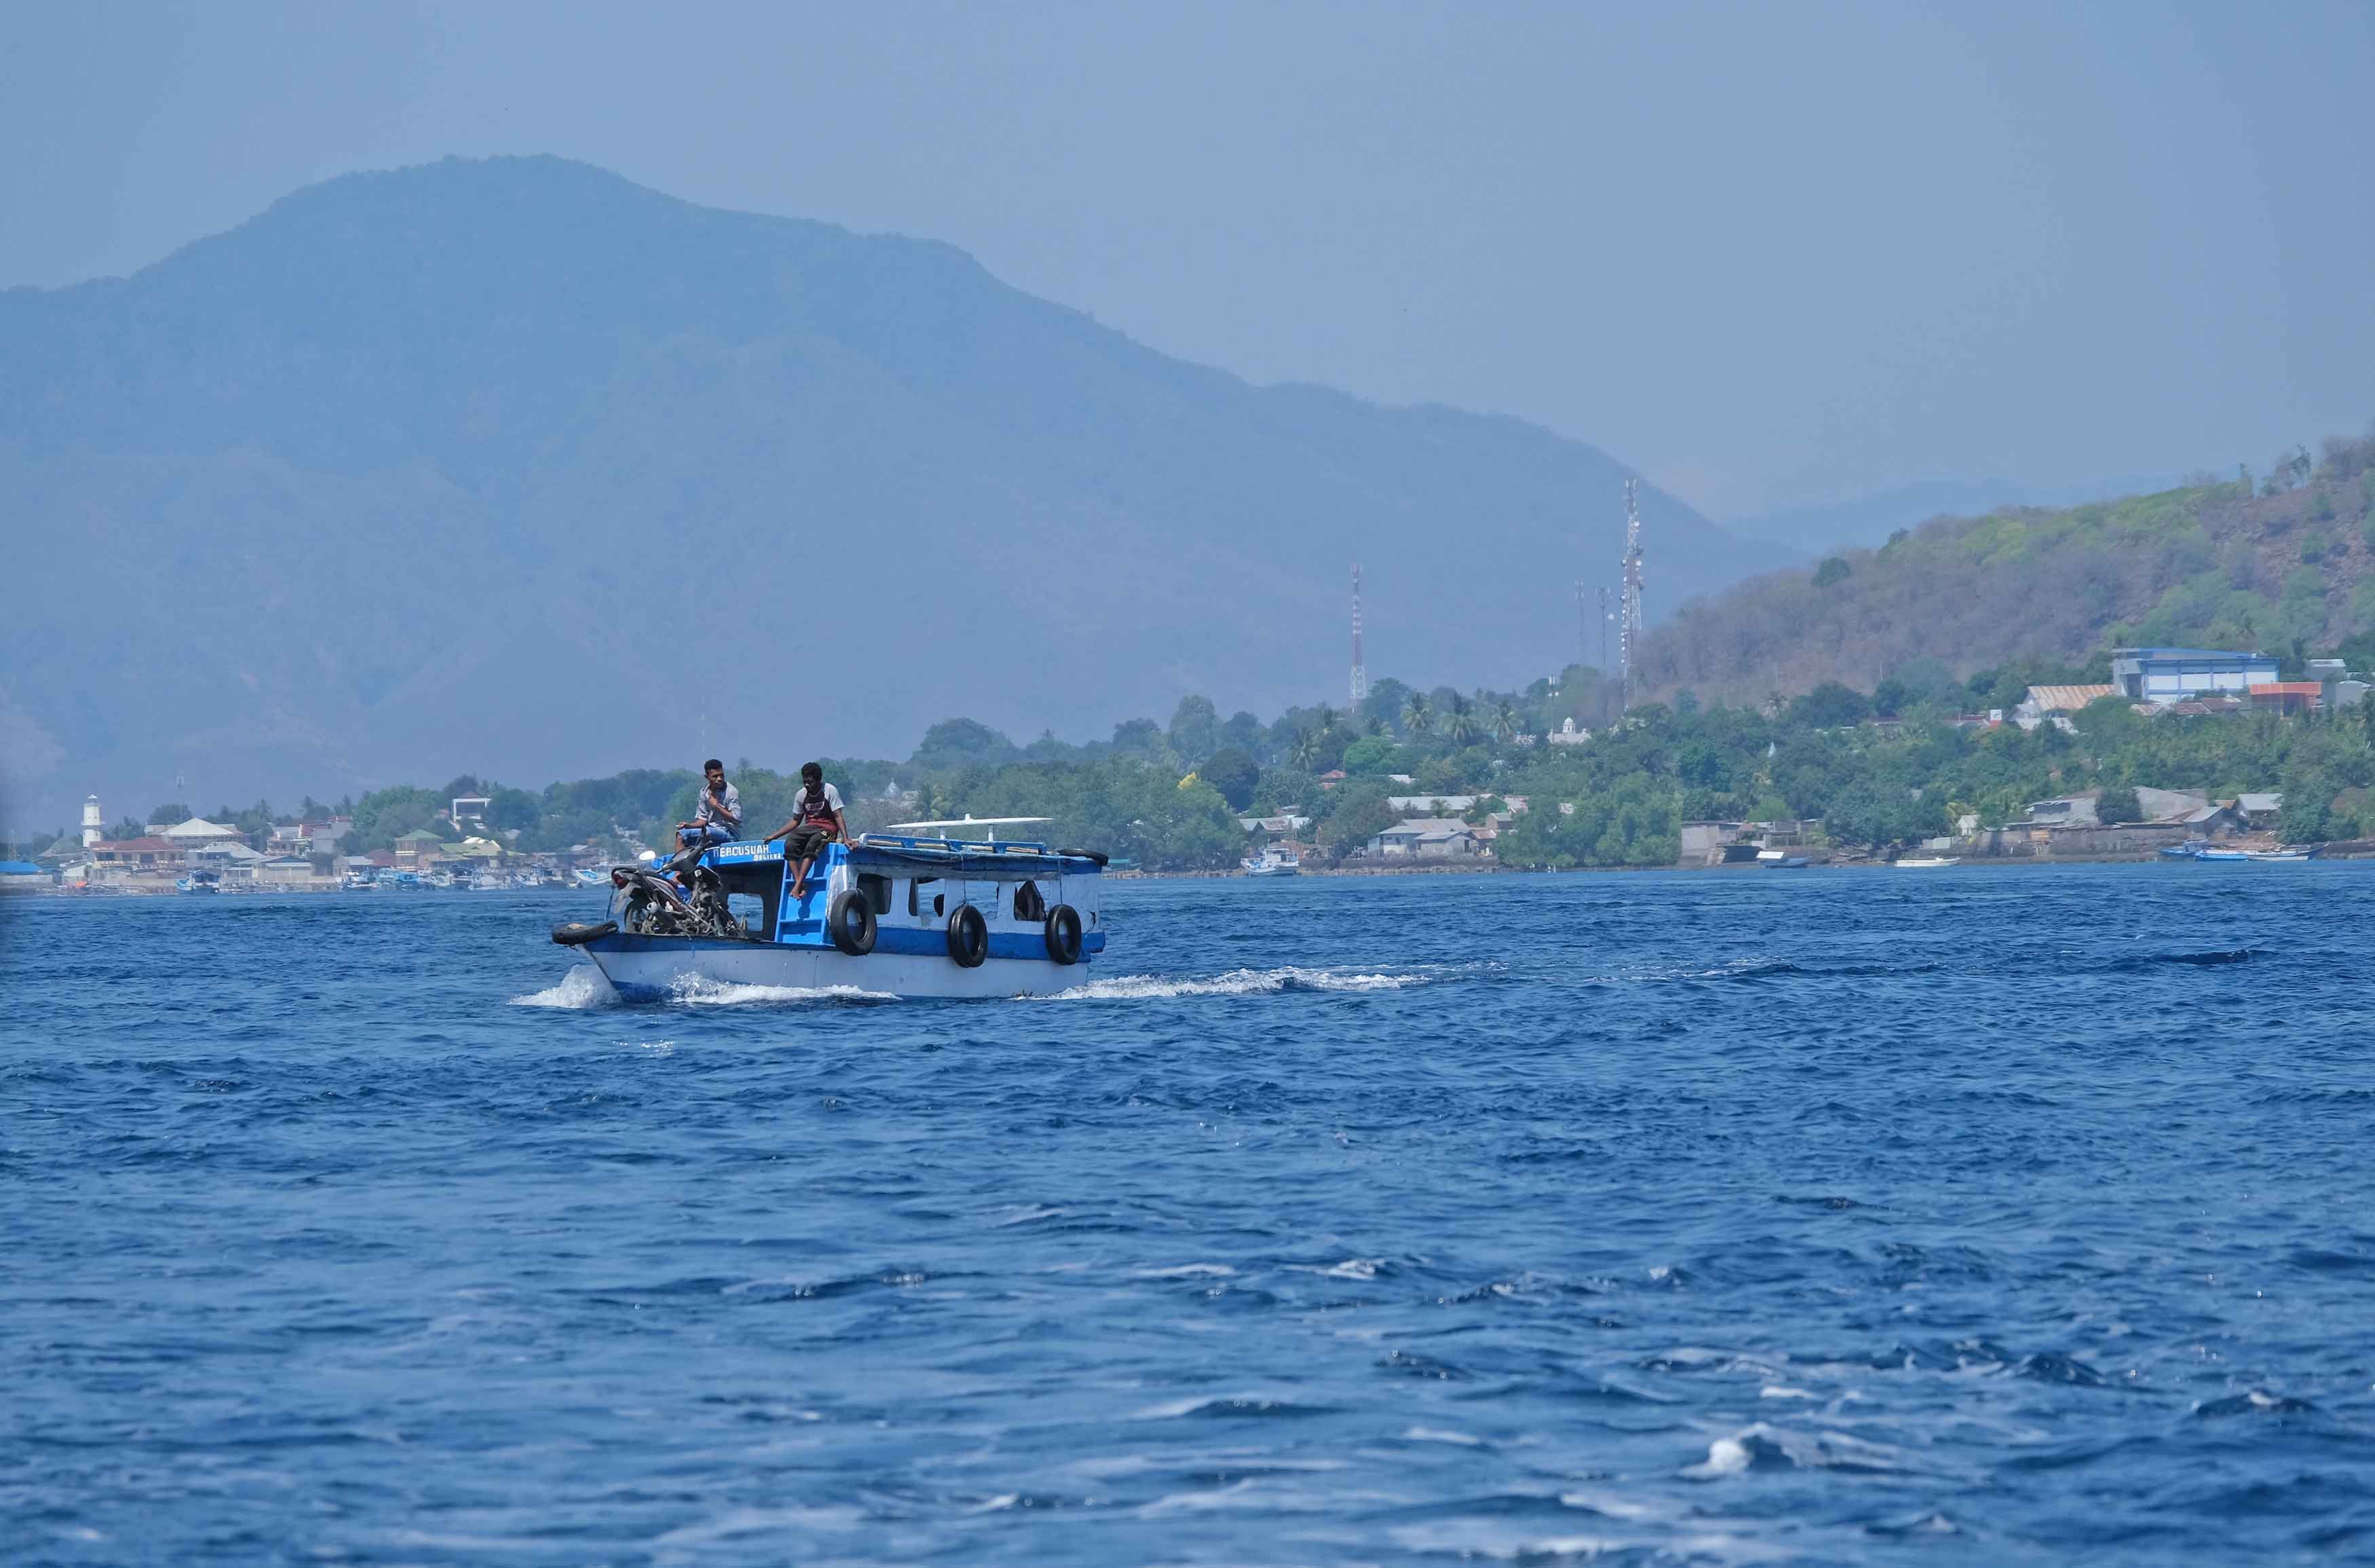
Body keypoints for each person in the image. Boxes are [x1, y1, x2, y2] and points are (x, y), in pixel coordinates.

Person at [763, 761, 850, 899]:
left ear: (818, 780)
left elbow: (838, 816)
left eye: (810, 782)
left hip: (828, 829)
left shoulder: (829, 791)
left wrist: (846, 838)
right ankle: (801, 884)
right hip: (809, 828)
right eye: (805, 782)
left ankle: (797, 885)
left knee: (813, 844)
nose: (807, 785)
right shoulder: (801, 795)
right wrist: (774, 836)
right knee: (790, 844)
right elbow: (795, 821)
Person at [674, 760, 742, 864]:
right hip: (709, 830)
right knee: (681, 835)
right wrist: (689, 825)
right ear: (707, 777)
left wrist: (716, 806)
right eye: (715, 777)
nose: (719, 779)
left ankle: (698, 862)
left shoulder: (731, 792)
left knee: (707, 833)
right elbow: (702, 820)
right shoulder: (704, 793)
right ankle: (679, 873)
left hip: (729, 834)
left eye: (721, 775)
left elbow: (736, 819)